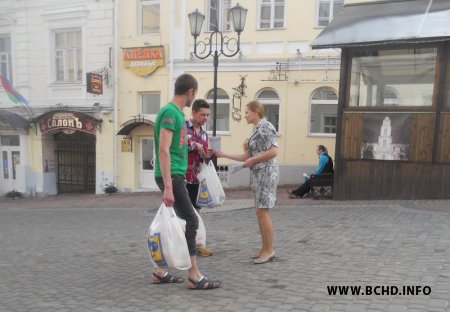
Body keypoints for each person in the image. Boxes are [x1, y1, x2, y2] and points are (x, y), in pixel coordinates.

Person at [152, 73, 221, 289]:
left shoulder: (177, 114)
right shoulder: (171, 114)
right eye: (195, 94)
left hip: (176, 175)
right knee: (191, 221)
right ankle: (194, 275)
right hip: (173, 175)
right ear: (190, 92)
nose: (194, 98)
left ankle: (159, 271)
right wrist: (169, 186)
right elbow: (164, 150)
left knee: (175, 222)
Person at [215, 100, 278, 264]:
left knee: (263, 211)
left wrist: (254, 160)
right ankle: (264, 249)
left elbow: (274, 151)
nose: (245, 115)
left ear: (256, 111)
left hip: (266, 173)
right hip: (259, 173)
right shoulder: (256, 130)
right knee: (259, 212)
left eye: (247, 112)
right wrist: (223, 155)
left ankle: (269, 250)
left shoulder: (266, 126)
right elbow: (246, 157)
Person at [186, 99, 213, 257]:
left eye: (207, 115)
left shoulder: (203, 133)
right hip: (182, 177)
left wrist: (207, 156)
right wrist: (196, 146)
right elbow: (180, 145)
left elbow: (203, 159)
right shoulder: (183, 127)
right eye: (202, 114)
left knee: (196, 212)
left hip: (196, 178)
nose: (205, 118)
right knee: (184, 213)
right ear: (194, 113)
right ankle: (188, 244)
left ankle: (196, 244)